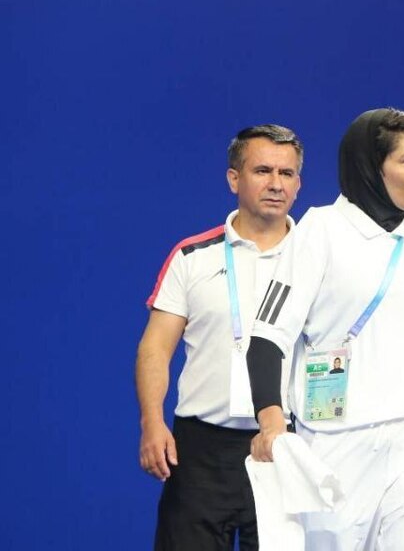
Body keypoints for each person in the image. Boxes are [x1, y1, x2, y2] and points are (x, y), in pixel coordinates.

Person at [247, 107, 404, 551]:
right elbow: (267, 337)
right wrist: (271, 422)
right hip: (335, 444)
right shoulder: (320, 229)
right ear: (372, 167)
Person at [136, 124, 303, 550]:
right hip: (201, 451)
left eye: (286, 173)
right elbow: (155, 348)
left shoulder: (318, 260)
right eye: (262, 171)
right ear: (234, 179)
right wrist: (152, 421)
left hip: (287, 445)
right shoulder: (192, 256)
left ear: (298, 184)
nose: (276, 184)